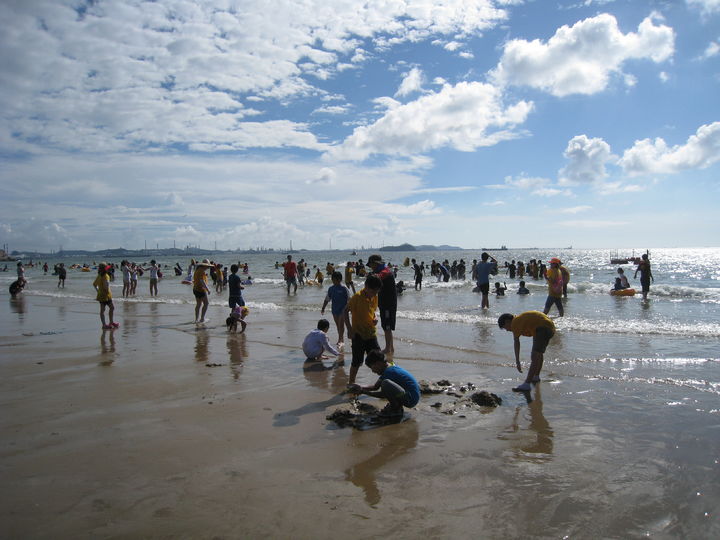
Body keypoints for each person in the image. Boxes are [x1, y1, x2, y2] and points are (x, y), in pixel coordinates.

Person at [348, 350, 420, 418]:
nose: (373, 371)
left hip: (410, 399)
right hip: (409, 395)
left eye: (372, 368)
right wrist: (359, 386)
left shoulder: (389, 372)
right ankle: (396, 405)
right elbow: (375, 387)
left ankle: (395, 409)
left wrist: (364, 392)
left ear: (378, 364)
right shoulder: (390, 367)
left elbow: (383, 395)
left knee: (386, 383)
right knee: (386, 384)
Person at [498, 311, 556, 392]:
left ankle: (527, 384)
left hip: (542, 327)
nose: (507, 330)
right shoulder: (520, 320)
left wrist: (517, 361)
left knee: (535, 355)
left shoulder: (515, 323)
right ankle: (536, 377)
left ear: (508, 321)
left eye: (505, 327)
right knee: (539, 353)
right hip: (549, 327)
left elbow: (516, 342)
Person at [343, 274, 382, 385]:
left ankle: (385, 381)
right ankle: (351, 382)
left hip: (371, 332)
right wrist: (349, 329)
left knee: (378, 357)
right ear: (366, 287)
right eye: (373, 291)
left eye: (377, 292)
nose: (375, 294)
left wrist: (375, 318)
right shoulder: (357, 297)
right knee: (357, 361)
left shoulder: (375, 296)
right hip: (358, 334)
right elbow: (345, 311)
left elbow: (373, 311)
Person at [366, 254, 397, 355]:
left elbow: (378, 277)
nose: (370, 267)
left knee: (387, 326)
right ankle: (390, 348)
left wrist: (370, 276)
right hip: (384, 303)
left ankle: (388, 348)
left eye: (371, 265)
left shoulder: (385, 271)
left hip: (388, 303)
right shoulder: (380, 271)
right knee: (385, 326)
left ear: (375, 263)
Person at [321, 271, 350, 346]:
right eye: (332, 279)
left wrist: (349, 308)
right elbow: (327, 299)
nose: (333, 281)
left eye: (335, 279)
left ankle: (340, 340)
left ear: (339, 279)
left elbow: (349, 299)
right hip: (334, 309)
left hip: (343, 310)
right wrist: (323, 308)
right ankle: (341, 339)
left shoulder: (344, 288)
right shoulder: (331, 288)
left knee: (341, 324)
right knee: (338, 325)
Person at [93, 263, 118, 330]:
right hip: (106, 295)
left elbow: (94, 284)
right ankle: (108, 323)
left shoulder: (99, 276)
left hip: (101, 295)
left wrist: (98, 291)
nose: (108, 268)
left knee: (103, 310)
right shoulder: (106, 276)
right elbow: (106, 286)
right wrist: (107, 291)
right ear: (105, 269)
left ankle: (106, 324)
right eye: (107, 267)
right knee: (111, 308)